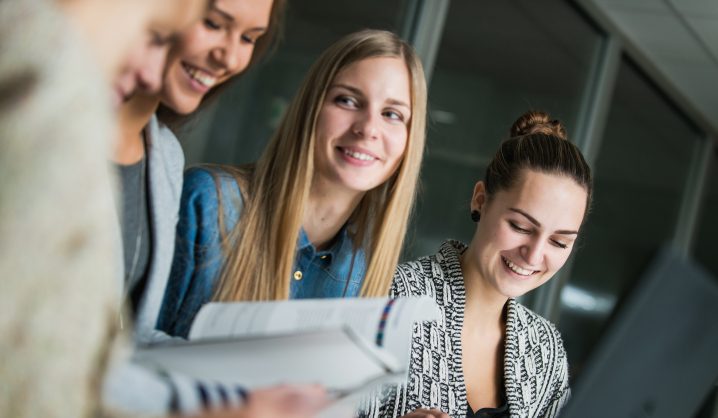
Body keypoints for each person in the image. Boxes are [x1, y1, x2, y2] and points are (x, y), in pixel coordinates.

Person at [158, 29, 428, 338]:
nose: (368, 128)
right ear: (310, 109)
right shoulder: (210, 202)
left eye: (392, 114)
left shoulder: (360, 274)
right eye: (348, 100)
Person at [362, 111, 592, 418]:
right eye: (521, 227)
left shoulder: (545, 351)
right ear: (480, 200)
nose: (534, 255)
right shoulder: (389, 300)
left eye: (559, 242)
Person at [114, 0, 285, 344]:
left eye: (249, 39)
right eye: (213, 24)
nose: (230, 58)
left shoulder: (164, 157)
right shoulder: (53, 120)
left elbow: (131, 336)